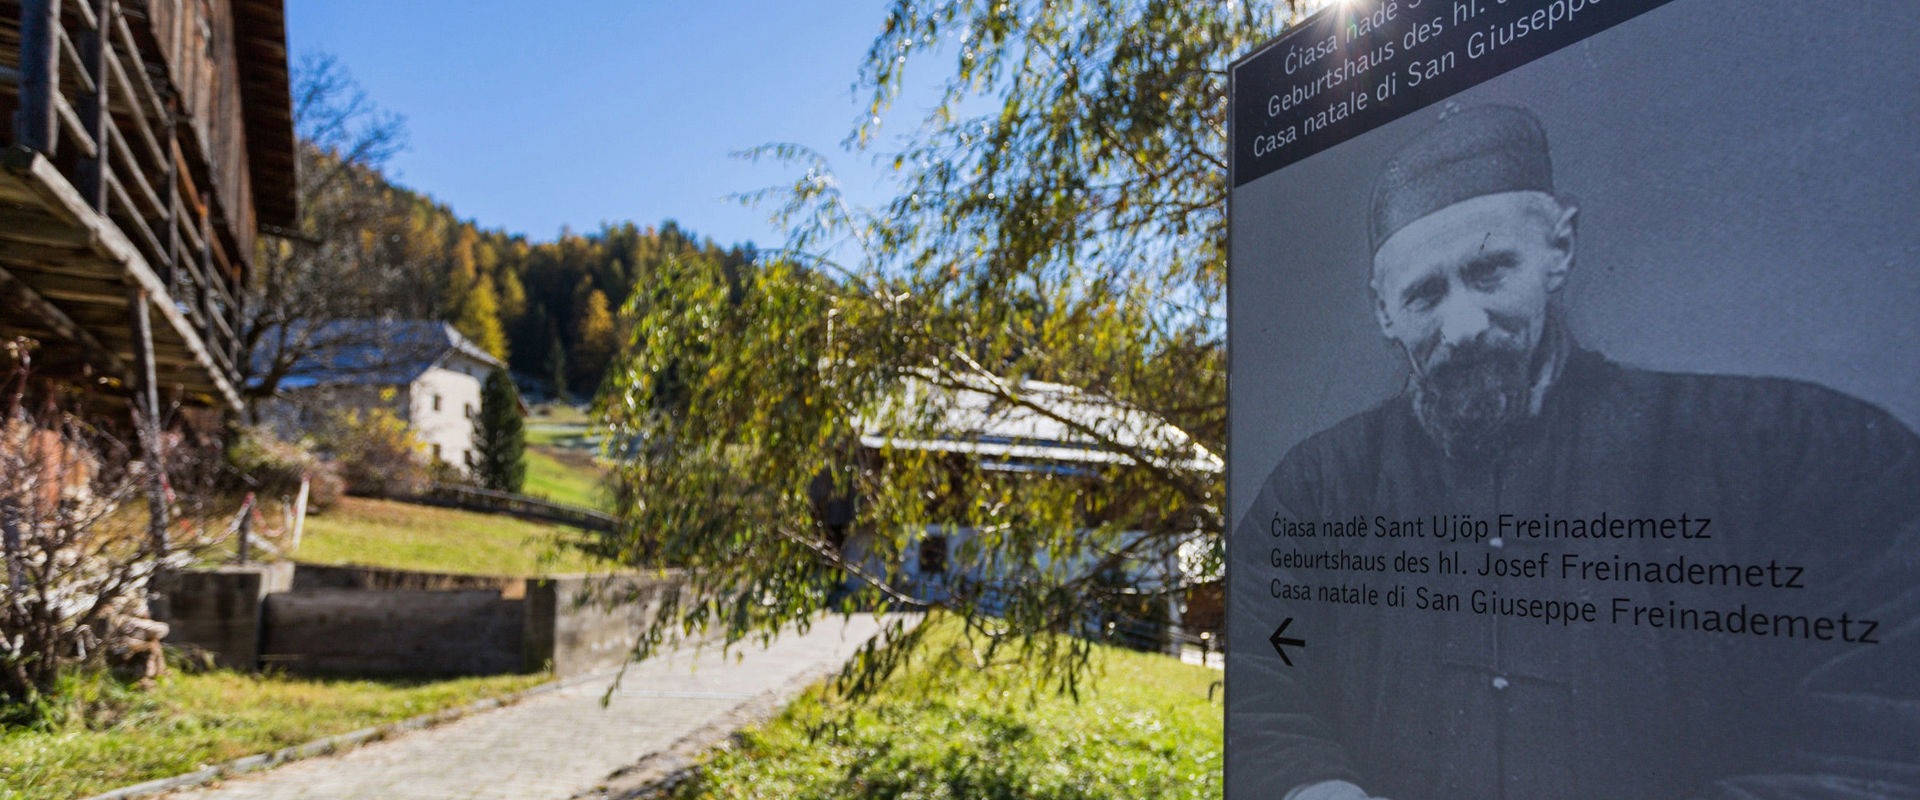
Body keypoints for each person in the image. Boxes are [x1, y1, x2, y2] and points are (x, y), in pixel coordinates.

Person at [1251, 105, 1920, 800]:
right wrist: (1314, 785)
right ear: (1384, 312)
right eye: (1425, 295)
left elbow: (1881, 731)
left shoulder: (1788, 451)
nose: (1464, 326)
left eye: (1489, 272)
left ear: (1559, 251)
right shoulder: (1318, 486)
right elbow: (1261, 662)